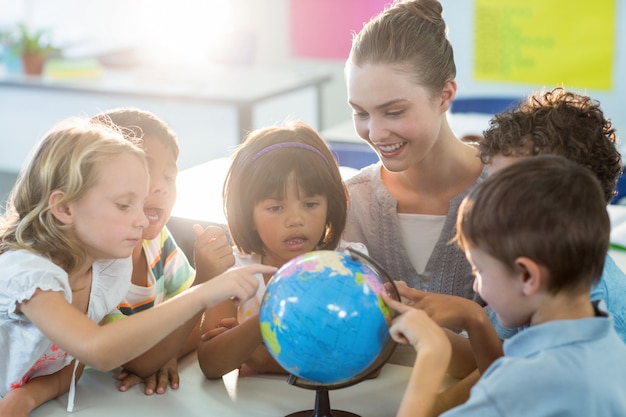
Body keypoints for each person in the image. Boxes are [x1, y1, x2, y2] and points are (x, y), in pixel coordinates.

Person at [0, 117, 275, 417]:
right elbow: (97, 351)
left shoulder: (106, 270)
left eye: (141, 203)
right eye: (124, 205)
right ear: (64, 208)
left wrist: (27, 397)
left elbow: (72, 366)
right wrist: (204, 292)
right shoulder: (29, 273)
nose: (142, 220)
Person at [394, 87, 626, 414]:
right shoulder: (573, 305)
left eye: (508, 192)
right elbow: (496, 364)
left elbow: (507, 384)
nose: (488, 202)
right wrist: (473, 318)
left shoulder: (595, 316)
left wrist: (432, 352)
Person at [342, 0, 486, 365]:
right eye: (360, 113)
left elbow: (518, 357)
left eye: (394, 112)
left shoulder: (505, 195)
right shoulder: (351, 202)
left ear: (445, 96)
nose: (375, 132)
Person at [197, 121, 366, 379]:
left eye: (310, 204)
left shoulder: (349, 265)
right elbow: (211, 364)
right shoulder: (235, 274)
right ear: (248, 215)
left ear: (329, 205)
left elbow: (369, 362)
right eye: (276, 208)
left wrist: (264, 359)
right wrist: (269, 315)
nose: (295, 220)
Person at [91, 108, 236, 395]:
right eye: (143, 171)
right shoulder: (92, 265)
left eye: (169, 176)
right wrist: (205, 281)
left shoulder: (157, 243)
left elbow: (205, 326)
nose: (160, 188)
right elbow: (137, 362)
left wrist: (166, 352)